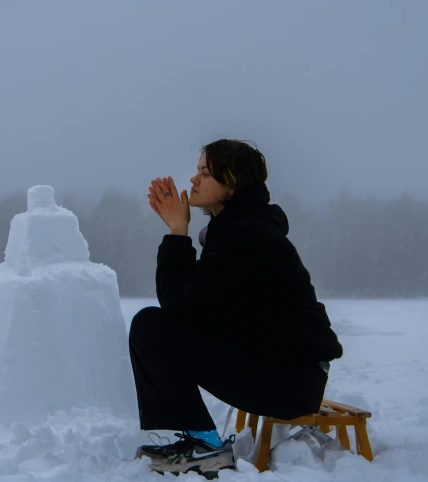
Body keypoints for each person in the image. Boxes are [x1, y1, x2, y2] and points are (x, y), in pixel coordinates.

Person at [130, 139, 343, 478]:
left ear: (232, 183)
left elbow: (178, 305)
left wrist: (177, 233)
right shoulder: (237, 230)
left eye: (205, 173)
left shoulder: (248, 237)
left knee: (151, 327)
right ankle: (200, 443)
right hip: (282, 370)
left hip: (290, 382)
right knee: (155, 326)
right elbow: (192, 306)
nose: (194, 180)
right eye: (197, 171)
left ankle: (205, 449)